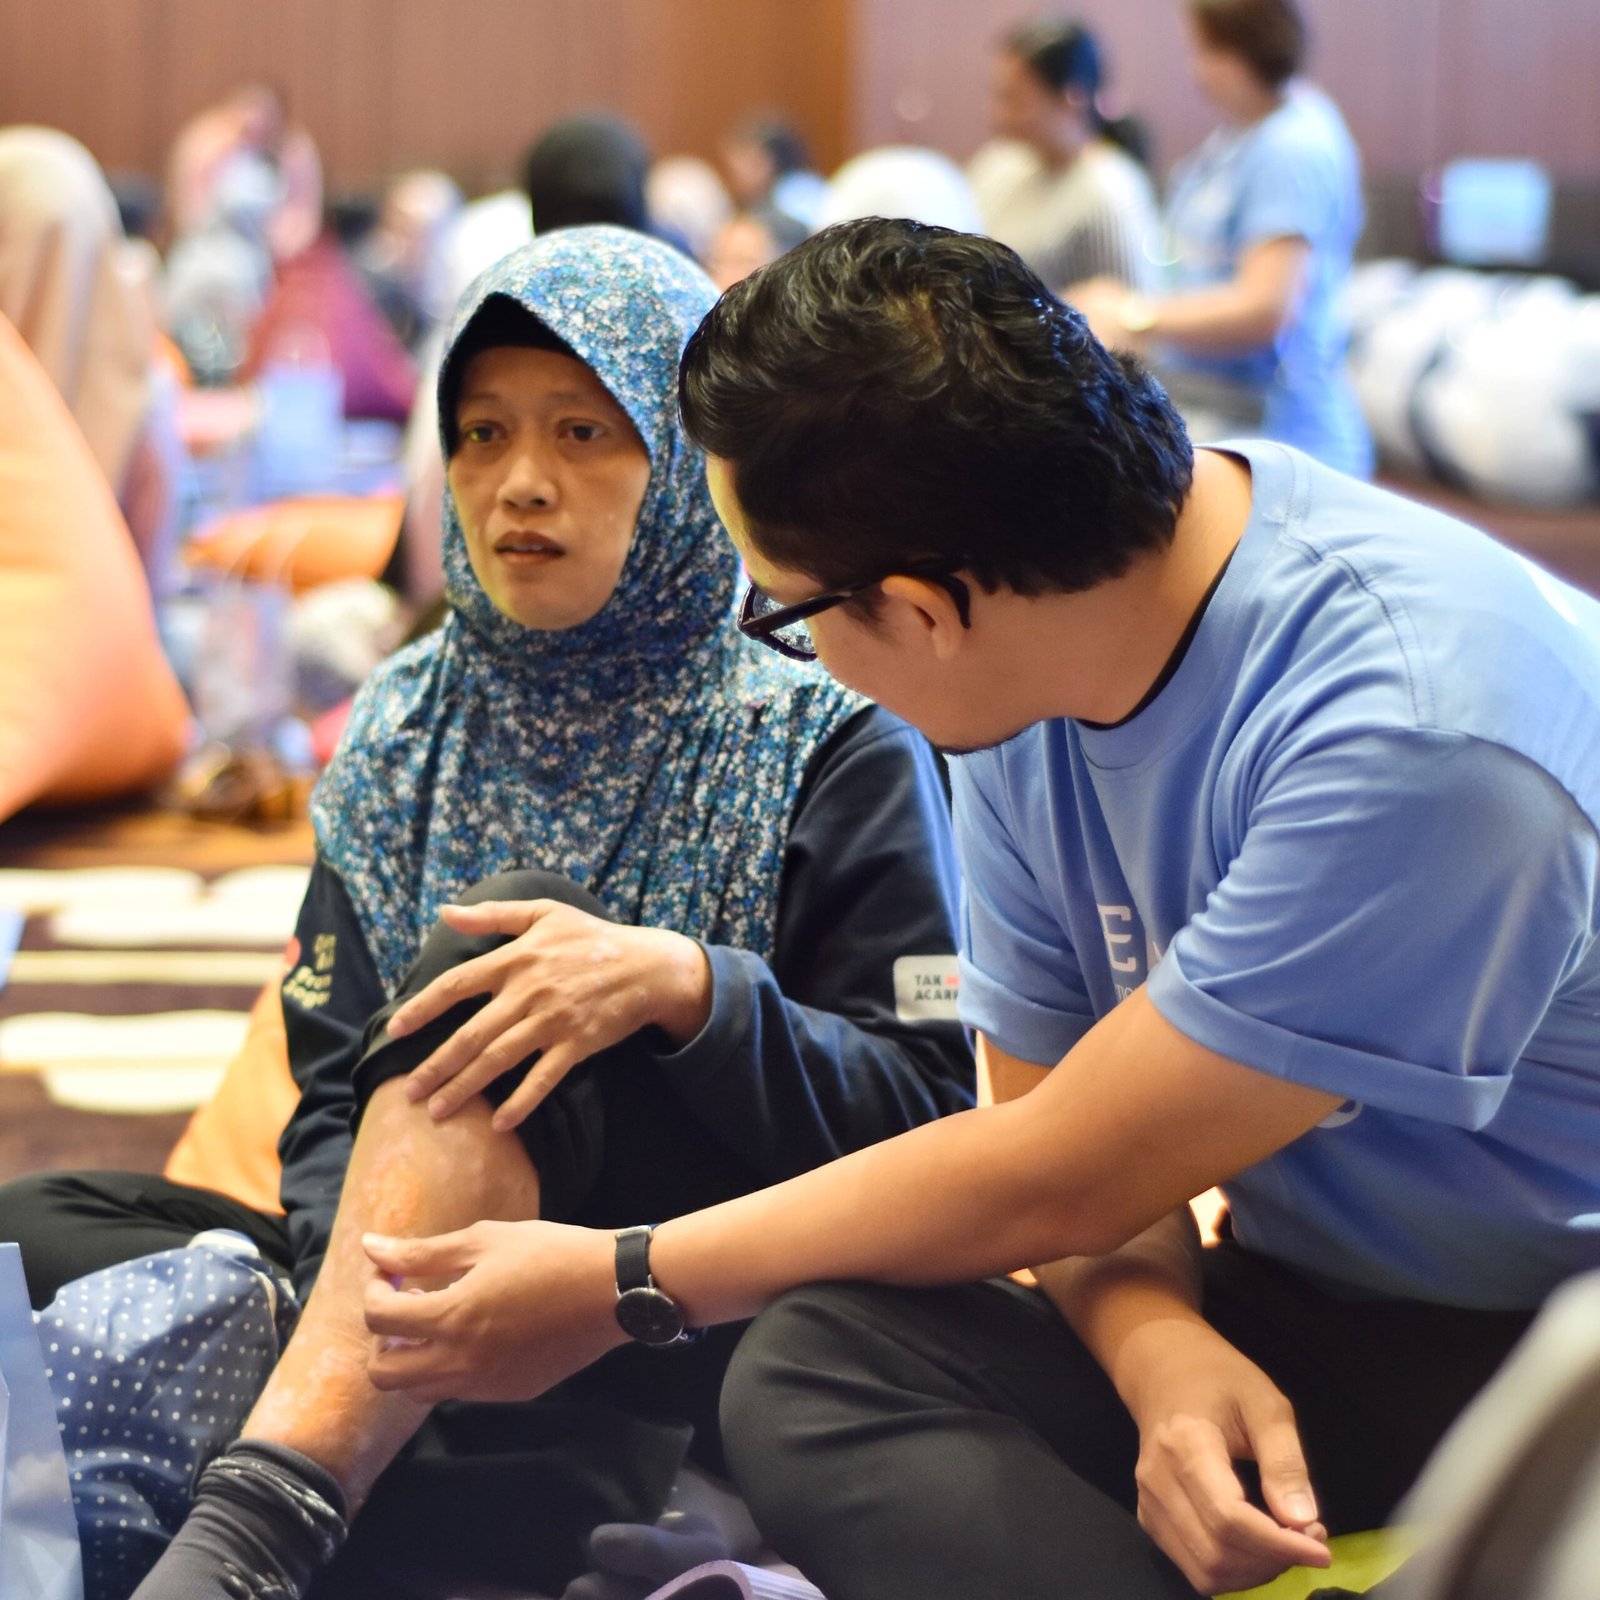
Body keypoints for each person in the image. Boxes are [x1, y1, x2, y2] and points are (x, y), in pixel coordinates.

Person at [351, 219, 1600, 1600]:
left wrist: (623, 1280)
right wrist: (1159, 1349)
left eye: (785, 615)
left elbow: (1058, 1171)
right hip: (1332, 1294)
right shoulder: (1036, 656)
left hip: (1565, 1347)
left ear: (919, 610)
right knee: (820, 1362)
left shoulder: (1416, 731)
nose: (801, 656)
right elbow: (1058, 1134)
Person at [0, 225, 972, 1600]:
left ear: (690, 459)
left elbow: (929, 1116)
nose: (520, 482)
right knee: (35, 1228)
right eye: (481, 433)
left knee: (499, 939)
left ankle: (270, 1516)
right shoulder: (406, 718)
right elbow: (332, 1092)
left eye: (582, 431)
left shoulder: (827, 732)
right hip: (414, 1281)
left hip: (681, 1308)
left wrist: (691, 993)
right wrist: (364, 1293)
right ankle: (460, 1458)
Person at [1072, 0, 1373, 476]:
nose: (1196, 71)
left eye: (1202, 51)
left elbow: (1266, 308)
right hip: (1217, 413)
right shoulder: (1239, 135)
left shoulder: (1292, 147)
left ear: (1238, 52)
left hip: (1279, 441)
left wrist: (1135, 316)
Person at [968, 19, 1160, 293]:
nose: (998, 115)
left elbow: (1131, 305)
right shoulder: (997, 163)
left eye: (1014, 98)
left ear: (1071, 97)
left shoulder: (1109, 192)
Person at [165, 83, 322, 262]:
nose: (256, 132)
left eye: (264, 126)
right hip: (214, 245)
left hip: (276, 250)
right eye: (249, 128)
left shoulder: (294, 152)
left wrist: (277, 243)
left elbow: (303, 217)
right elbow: (189, 212)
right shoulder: (207, 147)